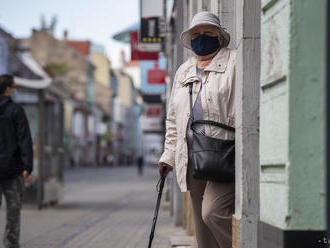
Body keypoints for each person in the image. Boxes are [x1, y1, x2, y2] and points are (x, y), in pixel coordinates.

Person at [158, 12, 236, 248]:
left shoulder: (235, 63)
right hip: (190, 157)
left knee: (212, 212)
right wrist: (168, 156)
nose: (201, 38)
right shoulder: (183, 71)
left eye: (208, 33)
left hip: (222, 152)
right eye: (196, 34)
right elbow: (173, 119)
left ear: (220, 37)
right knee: (202, 232)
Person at [0, 74, 33, 248]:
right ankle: (10, 243)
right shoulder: (16, 111)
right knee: (13, 210)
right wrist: (28, 165)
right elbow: (24, 139)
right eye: (13, 87)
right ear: (8, 89)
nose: (15, 90)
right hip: (12, 170)